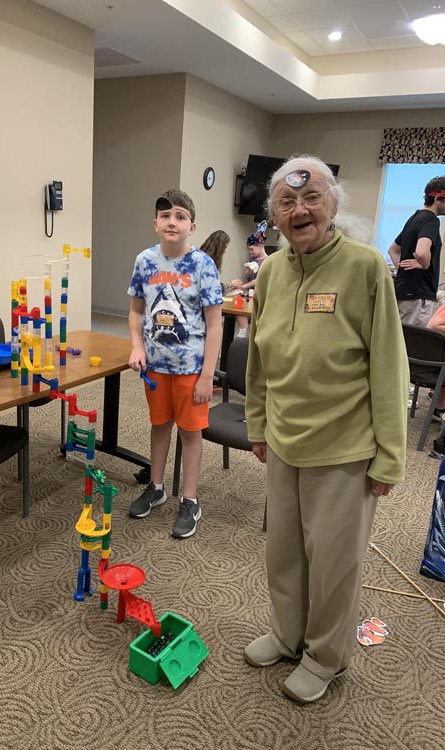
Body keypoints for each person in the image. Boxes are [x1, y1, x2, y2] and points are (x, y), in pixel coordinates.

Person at [244, 154, 409, 704]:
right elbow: (259, 359)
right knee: (284, 552)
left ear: (333, 204)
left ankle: (325, 656)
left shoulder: (365, 267)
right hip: (284, 441)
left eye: (311, 197)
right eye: (287, 202)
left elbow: (389, 366)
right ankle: (287, 635)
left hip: (344, 447)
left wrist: (390, 455)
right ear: (274, 214)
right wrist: (258, 423)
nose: (300, 210)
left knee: (334, 563)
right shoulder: (271, 270)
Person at [127, 189, 223, 538]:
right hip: (155, 367)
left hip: (191, 370)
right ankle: (155, 487)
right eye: (165, 216)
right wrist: (137, 346)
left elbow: (215, 324)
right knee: (159, 425)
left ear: (191, 227)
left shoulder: (202, 264)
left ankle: (190, 499)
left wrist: (207, 375)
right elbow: (136, 311)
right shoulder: (145, 261)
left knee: (190, 432)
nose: (172, 222)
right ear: (155, 223)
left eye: (180, 216)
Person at [388, 176, 445, 326]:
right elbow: (421, 252)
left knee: (402, 336)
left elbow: (393, 249)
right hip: (417, 295)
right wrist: (423, 264)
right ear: (438, 198)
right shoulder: (431, 220)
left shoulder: (414, 218)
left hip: (404, 291)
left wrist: (403, 269)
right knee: (413, 339)